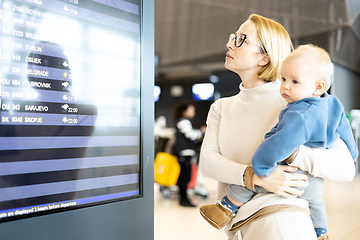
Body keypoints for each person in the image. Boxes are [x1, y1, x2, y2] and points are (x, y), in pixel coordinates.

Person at [199, 14, 356, 240]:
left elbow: (346, 168)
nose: (229, 43)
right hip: (238, 227)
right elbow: (208, 163)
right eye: (233, 37)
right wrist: (254, 177)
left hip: (283, 221)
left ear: (265, 56)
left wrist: (293, 154)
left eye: (241, 39)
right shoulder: (221, 108)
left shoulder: (299, 103)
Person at [173, 100, 206, 207]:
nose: (193, 112)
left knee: (184, 177)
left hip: (185, 153)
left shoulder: (183, 122)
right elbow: (191, 135)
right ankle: (184, 200)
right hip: (185, 153)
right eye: (191, 110)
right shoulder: (184, 122)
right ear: (185, 111)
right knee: (185, 177)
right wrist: (201, 131)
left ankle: (184, 198)